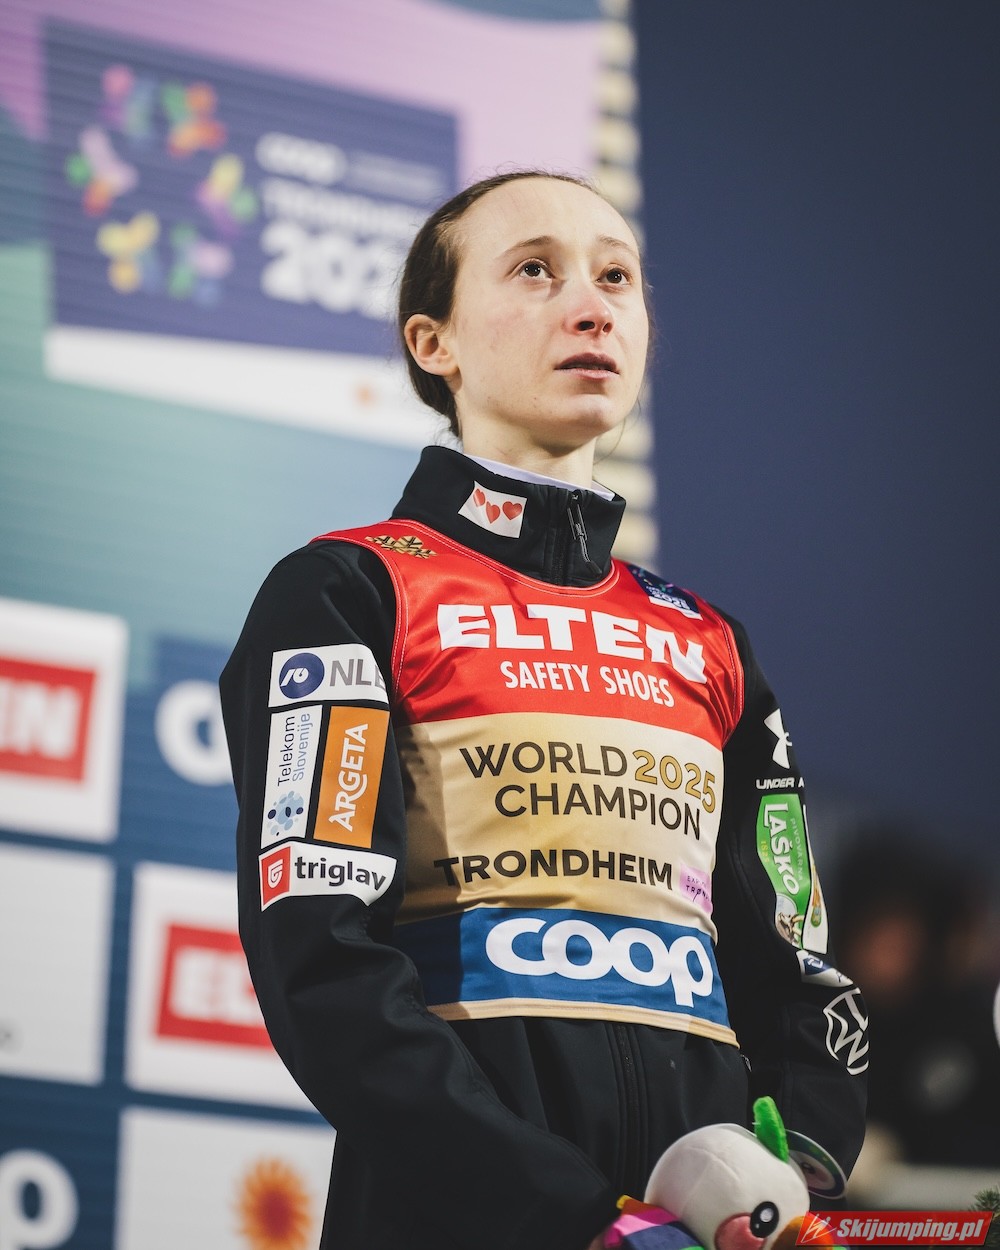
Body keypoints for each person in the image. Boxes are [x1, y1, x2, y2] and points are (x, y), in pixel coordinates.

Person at [220, 170, 868, 1250]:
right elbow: (320, 959)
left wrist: (787, 1174)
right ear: (433, 342)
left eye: (617, 278)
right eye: (535, 270)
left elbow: (798, 969)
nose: (592, 307)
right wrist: (568, 1218)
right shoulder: (348, 591)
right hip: (461, 1220)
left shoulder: (711, 642)